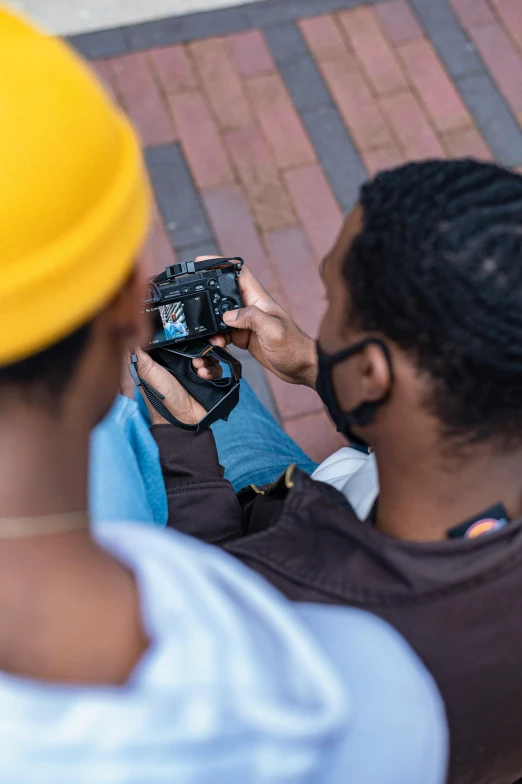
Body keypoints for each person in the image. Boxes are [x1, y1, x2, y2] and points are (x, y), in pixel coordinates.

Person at [0, 8, 449, 784]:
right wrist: (302, 374)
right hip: (252, 522)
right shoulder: (378, 695)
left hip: (252, 509)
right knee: (218, 406)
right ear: (122, 310)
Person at [137, 159, 522, 784]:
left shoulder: (300, 609)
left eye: (331, 301)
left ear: (374, 373)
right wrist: (318, 368)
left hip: (243, 538)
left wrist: (182, 448)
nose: (319, 320)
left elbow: (206, 593)